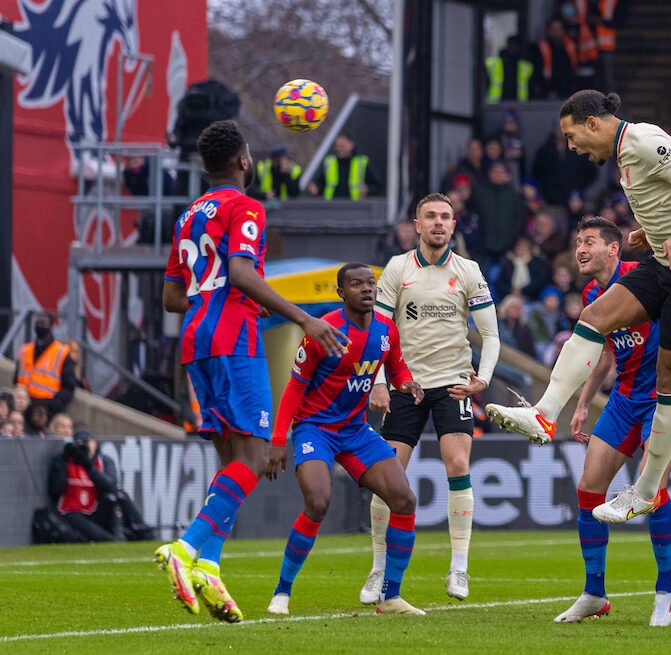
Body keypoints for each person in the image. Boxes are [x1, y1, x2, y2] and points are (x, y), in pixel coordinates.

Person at [485, 90, 671, 526]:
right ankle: (545, 417)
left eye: (572, 136)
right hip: (663, 261)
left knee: (670, 383)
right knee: (593, 318)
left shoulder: (641, 139)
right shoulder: (623, 157)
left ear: (593, 124)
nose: (572, 147)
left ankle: (646, 489)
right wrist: (650, 232)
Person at [158, 120, 349, 622]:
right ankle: (185, 547)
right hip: (233, 340)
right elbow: (242, 272)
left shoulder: (187, 217)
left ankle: (211, 570)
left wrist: (225, 294)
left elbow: (172, 296)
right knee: (257, 456)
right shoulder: (245, 206)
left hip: (196, 342)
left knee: (231, 460)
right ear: (244, 160)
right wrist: (306, 317)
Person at [365, 193, 500, 603]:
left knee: (458, 463)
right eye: (431, 217)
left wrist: (484, 378)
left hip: (454, 382)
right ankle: (377, 569)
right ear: (417, 225)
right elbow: (379, 332)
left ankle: (459, 569)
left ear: (453, 226)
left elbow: (491, 335)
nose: (438, 223)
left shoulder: (469, 271)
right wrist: (378, 380)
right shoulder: (397, 268)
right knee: (386, 474)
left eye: (445, 217)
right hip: (406, 384)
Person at [268, 264, 425, 616]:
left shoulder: (387, 330)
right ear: (341, 293)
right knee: (318, 502)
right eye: (356, 284)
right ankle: (282, 590)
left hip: (355, 429)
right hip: (315, 428)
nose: (366, 289)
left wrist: (407, 383)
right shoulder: (324, 331)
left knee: (404, 499)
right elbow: (294, 387)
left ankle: (391, 595)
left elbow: (397, 368)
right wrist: (279, 440)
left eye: (370, 283)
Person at [553, 217, 671, 626]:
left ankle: (665, 591)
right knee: (589, 488)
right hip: (624, 399)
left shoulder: (641, 276)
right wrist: (582, 403)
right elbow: (605, 350)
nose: (580, 249)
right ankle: (594, 593)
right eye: (577, 242)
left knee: (652, 490)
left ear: (613, 249)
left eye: (589, 241)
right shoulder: (593, 292)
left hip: (663, 398)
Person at [47, 428, 152, 543]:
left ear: (95, 444)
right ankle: (112, 539)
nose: (84, 447)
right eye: (80, 444)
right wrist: (63, 461)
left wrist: (89, 467)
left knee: (119, 495)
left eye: (87, 442)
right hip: (73, 512)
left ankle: (144, 532)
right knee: (81, 522)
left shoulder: (104, 461)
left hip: (96, 511)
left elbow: (111, 486)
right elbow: (55, 490)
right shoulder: (66, 461)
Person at [15, 313, 77, 416]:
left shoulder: (62, 353)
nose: (39, 327)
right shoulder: (25, 350)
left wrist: (52, 407)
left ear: (51, 327)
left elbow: (69, 387)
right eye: (37, 323)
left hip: (45, 410)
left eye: (43, 324)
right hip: (24, 408)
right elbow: (16, 380)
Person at [308, 134, 381, 200]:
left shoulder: (361, 162)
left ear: (351, 145)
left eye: (342, 146)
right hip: (332, 206)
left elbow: (377, 186)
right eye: (338, 146)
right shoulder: (330, 162)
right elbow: (320, 183)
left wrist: (367, 190)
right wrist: (315, 187)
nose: (339, 149)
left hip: (356, 207)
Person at [485, 36, 533, 103]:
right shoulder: (493, 63)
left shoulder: (526, 66)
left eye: (515, 45)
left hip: (519, 105)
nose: (513, 48)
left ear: (519, 47)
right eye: (511, 45)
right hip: (496, 104)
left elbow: (530, 87)